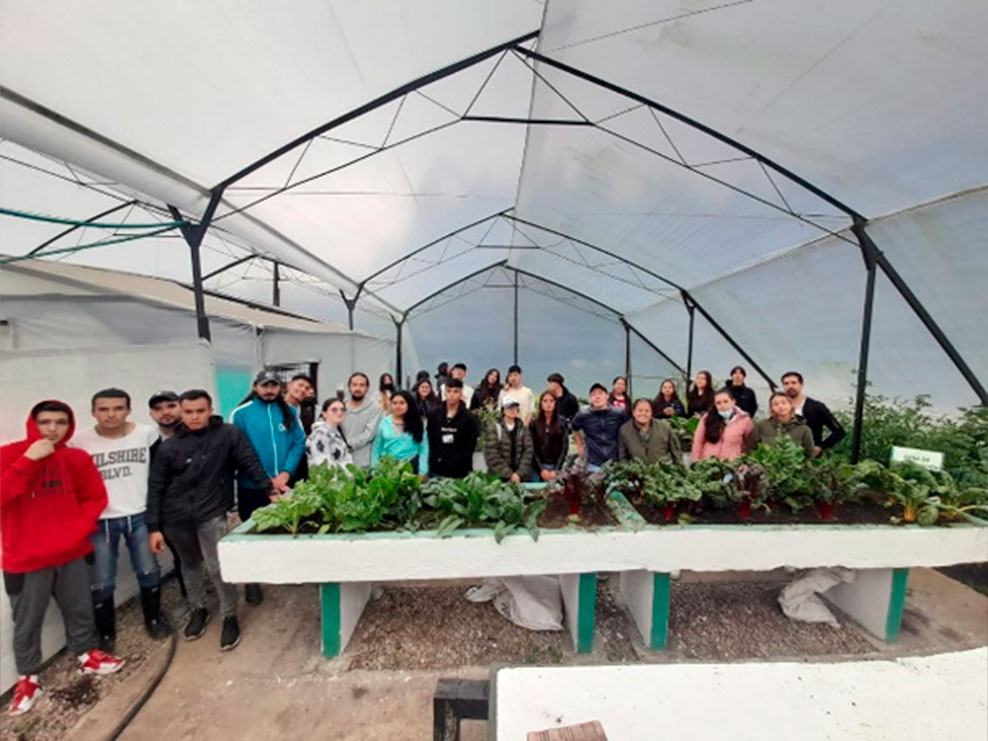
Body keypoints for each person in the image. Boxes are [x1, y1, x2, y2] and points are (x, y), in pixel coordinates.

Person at [2, 400, 125, 716]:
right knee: (27, 622)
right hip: (26, 559)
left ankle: (85, 655)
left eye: (59, 422)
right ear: (33, 423)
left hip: (71, 552)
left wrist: (75, 530)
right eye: (45, 422)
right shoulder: (9, 455)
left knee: (80, 607)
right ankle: (28, 678)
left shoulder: (76, 458)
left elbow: (95, 497)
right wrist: (28, 461)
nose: (52, 429)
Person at [147, 389, 274, 651]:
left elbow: (250, 462)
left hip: (212, 512)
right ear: (181, 412)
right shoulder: (170, 446)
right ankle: (199, 609)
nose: (194, 417)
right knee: (189, 564)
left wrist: (270, 491)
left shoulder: (227, 434)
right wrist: (154, 527)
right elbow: (156, 486)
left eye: (200, 411)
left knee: (218, 566)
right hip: (176, 517)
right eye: (189, 412)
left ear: (210, 410)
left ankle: (229, 615)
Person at [72, 388, 169, 653]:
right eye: (103, 409)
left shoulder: (146, 434)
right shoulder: (79, 442)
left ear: (128, 409)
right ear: (93, 412)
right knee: (102, 579)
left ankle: (152, 618)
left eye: (117, 408)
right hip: (100, 519)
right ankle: (106, 632)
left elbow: (158, 477)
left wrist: (155, 520)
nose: (111, 414)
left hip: (139, 514)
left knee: (148, 569)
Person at [230, 370, 306, 606]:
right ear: (255, 386)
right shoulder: (240, 414)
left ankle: (286, 570)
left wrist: (285, 473)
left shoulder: (290, 412)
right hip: (252, 486)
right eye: (265, 386)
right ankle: (252, 580)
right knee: (253, 531)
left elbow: (298, 443)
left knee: (286, 528)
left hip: (284, 484)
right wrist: (265, 480)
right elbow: (240, 451)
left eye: (274, 386)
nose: (269, 390)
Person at [147, 390, 189, 617]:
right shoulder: (150, 443)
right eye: (158, 408)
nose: (165, 412)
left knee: (213, 555)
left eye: (170, 406)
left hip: (204, 506)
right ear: (151, 414)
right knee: (182, 556)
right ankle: (192, 599)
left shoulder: (199, 434)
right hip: (171, 510)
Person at [780, 372, 846, 457]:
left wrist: (820, 447)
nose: (790, 386)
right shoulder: (779, 407)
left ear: (801, 385)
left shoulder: (816, 407)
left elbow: (839, 432)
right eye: (786, 383)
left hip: (810, 458)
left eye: (793, 383)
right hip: (785, 456)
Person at [427, 379, 480, 478]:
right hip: (436, 469)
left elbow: (470, 446)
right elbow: (429, 439)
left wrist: (457, 460)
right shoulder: (434, 413)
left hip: (459, 472)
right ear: (445, 393)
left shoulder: (469, 418)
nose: (452, 395)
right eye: (449, 391)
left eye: (455, 391)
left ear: (461, 393)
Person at [371, 390, 429, 474]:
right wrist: (374, 470)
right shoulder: (384, 422)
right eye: (394, 403)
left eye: (402, 403)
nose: (398, 406)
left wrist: (422, 471)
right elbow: (376, 448)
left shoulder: (418, 423)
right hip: (388, 467)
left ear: (409, 404)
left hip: (410, 467)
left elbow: (423, 449)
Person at [571, 383, 626, 471]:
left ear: (607, 396)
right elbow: (574, 427)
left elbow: (626, 429)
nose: (597, 397)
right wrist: (580, 445)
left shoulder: (618, 413)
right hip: (593, 462)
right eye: (593, 395)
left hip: (614, 462)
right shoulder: (583, 414)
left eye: (600, 393)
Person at [691, 388, 753, 462]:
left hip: (732, 466)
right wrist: (695, 461)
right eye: (718, 403)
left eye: (726, 402)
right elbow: (698, 441)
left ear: (733, 402)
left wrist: (742, 461)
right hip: (708, 465)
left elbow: (749, 443)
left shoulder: (744, 420)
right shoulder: (707, 418)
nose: (722, 406)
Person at [747, 392, 814, 457]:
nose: (780, 406)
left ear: (791, 405)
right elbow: (751, 448)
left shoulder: (804, 429)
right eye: (776, 404)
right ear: (772, 408)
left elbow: (809, 454)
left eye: (784, 403)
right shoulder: (762, 425)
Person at [619, 398, 681, 465]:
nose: (643, 413)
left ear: (652, 413)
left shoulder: (665, 428)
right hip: (636, 473)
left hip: (662, 472)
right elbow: (623, 456)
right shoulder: (624, 430)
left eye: (647, 411)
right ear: (633, 412)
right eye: (640, 411)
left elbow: (676, 451)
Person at [484, 398, 533, 483]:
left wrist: (519, 474)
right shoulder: (494, 428)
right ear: (503, 411)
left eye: (515, 408)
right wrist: (509, 474)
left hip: (520, 478)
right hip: (498, 477)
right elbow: (491, 454)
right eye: (509, 408)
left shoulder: (523, 429)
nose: (512, 410)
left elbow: (528, 452)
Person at [341, 372, 384, 468]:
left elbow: (369, 434)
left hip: (363, 463)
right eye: (354, 385)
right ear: (349, 387)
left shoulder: (375, 407)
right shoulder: (340, 406)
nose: (358, 388)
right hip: (341, 461)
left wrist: (348, 444)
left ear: (367, 388)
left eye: (362, 385)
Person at [529, 390, 569, 482]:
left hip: (555, 465)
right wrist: (541, 469)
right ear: (541, 403)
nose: (548, 404)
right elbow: (531, 447)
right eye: (545, 401)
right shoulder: (534, 423)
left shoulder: (562, 422)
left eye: (551, 401)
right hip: (537, 466)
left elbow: (564, 447)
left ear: (555, 403)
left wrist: (556, 469)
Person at [307, 398, 353, 469]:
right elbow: (322, 464)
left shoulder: (336, 432)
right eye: (334, 410)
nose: (339, 413)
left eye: (342, 409)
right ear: (324, 414)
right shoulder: (320, 433)